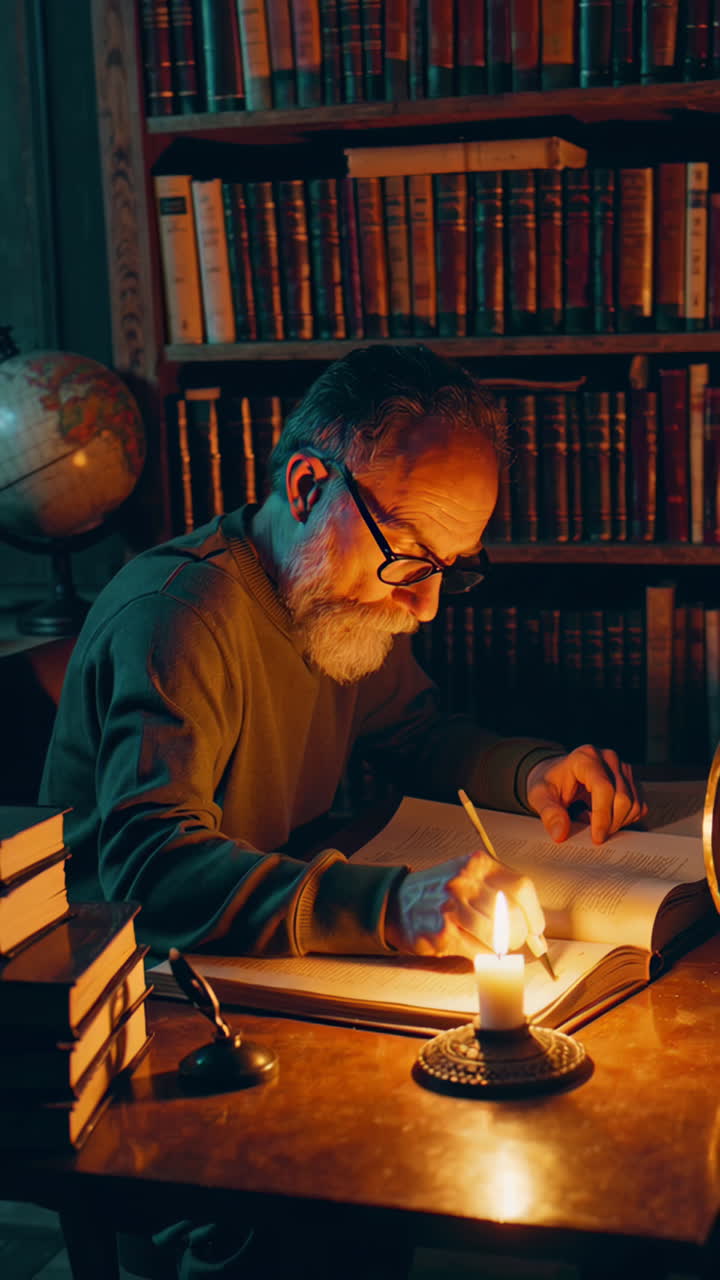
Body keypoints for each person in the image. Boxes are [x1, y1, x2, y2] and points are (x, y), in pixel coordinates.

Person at [40, 345, 645, 1278]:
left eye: (452, 565)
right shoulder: (181, 615)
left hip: (259, 971)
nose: (428, 601)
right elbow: (148, 870)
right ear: (308, 483)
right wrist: (390, 906)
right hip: (136, 1011)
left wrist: (532, 771)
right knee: (354, 1192)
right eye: (410, 553)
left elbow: (414, 732)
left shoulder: (339, 598)